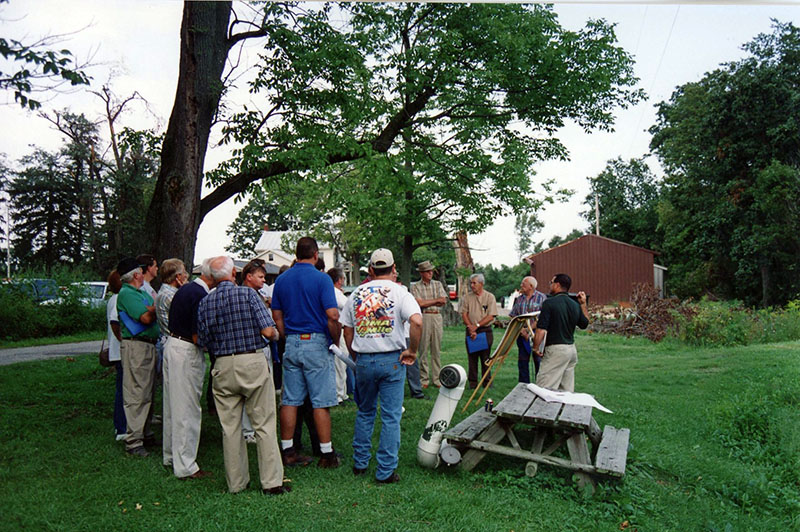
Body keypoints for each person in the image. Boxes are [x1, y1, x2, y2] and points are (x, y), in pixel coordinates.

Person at [197, 256, 289, 495]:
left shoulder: (205, 302)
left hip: (223, 364)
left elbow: (204, 340)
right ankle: (271, 482)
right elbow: (268, 331)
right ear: (234, 274)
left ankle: (236, 483)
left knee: (230, 427)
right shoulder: (248, 296)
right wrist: (277, 336)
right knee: (264, 424)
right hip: (252, 360)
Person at [342, 248, 422, 483]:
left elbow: (347, 328)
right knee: (390, 416)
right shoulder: (400, 292)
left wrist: (354, 353)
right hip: (392, 360)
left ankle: (360, 462)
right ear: (393, 268)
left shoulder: (356, 293)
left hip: (365, 359)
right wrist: (413, 351)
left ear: (371, 269)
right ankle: (385, 471)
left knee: (365, 411)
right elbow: (416, 320)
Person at [271, 236, 341, 468]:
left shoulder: (281, 280)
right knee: (320, 401)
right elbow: (332, 315)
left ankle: (288, 449)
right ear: (315, 254)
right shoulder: (321, 279)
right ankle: (326, 453)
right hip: (316, 340)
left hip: (292, 340)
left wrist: (285, 335)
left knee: (290, 399)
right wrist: (334, 339)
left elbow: (277, 316)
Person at [162, 259, 214, 480]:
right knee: (187, 408)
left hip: (172, 345)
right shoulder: (199, 296)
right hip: (186, 350)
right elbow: (197, 335)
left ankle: (171, 454)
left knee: (172, 405)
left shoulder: (185, 290)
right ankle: (185, 465)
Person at [116, 257, 160, 457]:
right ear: (135, 275)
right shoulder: (126, 293)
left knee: (148, 389)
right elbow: (145, 317)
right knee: (136, 391)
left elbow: (151, 311)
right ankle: (134, 440)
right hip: (136, 347)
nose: (143, 274)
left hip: (148, 345)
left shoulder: (140, 293)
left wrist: (152, 309)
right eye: (141, 272)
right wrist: (153, 309)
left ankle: (145, 432)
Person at [533, 273, 589, 392]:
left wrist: (536, 347)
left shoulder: (549, 303)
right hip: (571, 350)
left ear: (557, 285)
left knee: (544, 390)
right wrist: (583, 304)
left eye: (551, 283)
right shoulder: (575, 304)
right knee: (566, 392)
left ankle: (543, 411)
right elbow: (584, 324)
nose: (550, 285)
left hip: (555, 350)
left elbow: (541, 329)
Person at [410, 261, 447, 389]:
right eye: (427, 271)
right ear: (421, 273)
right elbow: (419, 304)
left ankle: (437, 379)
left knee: (436, 348)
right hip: (424, 316)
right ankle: (424, 379)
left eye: (431, 271)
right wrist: (435, 300)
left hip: (436, 316)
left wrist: (428, 302)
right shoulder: (415, 287)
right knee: (423, 348)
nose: (430, 273)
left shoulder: (438, 284)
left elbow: (443, 300)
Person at [460, 273, 498, 389]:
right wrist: (471, 328)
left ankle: (487, 382)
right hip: (471, 330)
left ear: (481, 284)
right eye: (471, 283)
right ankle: (473, 383)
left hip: (484, 330)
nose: (472, 285)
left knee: (485, 358)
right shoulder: (467, 297)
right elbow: (464, 313)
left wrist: (476, 326)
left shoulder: (489, 297)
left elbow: (491, 315)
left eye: (474, 283)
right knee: (472, 358)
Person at [509, 276, 547, 383]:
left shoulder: (541, 298)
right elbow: (513, 315)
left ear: (531, 286)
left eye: (523, 284)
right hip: (521, 335)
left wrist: (529, 329)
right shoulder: (519, 299)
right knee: (522, 361)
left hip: (537, 334)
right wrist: (522, 330)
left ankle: (540, 385)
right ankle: (523, 385)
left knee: (538, 361)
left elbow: (543, 316)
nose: (521, 286)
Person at [105, 270, 126, 441]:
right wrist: (123, 340)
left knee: (122, 388)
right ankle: (121, 427)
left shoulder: (112, 299)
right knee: (123, 389)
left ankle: (121, 424)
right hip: (120, 351)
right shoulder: (119, 298)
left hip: (117, 351)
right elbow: (115, 323)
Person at [327, 267, 350, 404]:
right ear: (339, 280)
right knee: (340, 362)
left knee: (342, 363)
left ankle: (342, 392)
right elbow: (348, 305)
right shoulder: (335, 292)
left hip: (340, 329)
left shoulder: (335, 292)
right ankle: (338, 394)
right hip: (338, 329)